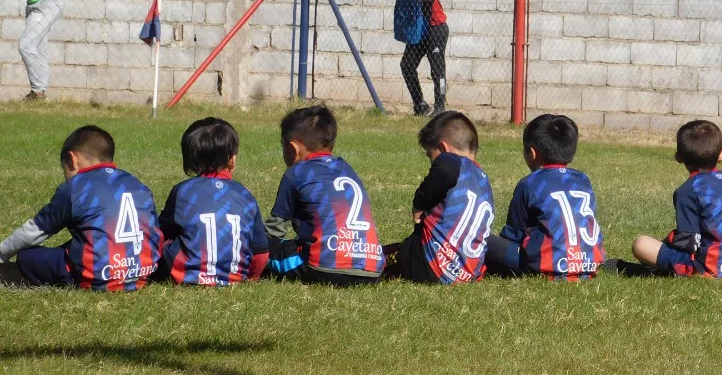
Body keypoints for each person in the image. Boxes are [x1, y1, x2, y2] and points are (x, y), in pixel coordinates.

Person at [0, 125, 160, 290]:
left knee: (27, 256)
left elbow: (35, 231)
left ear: (72, 159)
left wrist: (2, 253)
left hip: (98, 275)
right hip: (144, 271)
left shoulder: (76, 187)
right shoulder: (137, 183)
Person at [265, 105, 385, 285]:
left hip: (322, 268)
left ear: (292, 149)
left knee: (264, 249)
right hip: (372, 269)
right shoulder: (347, 169)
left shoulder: (296, 172)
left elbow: (274, 230)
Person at [628, 120, 722, 280]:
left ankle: (646, 270)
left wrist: (669, 242)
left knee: (641, 244)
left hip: (714, 271)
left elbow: (689, 243)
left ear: (678, 157)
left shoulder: (689, 190)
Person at [486, 114, 605, 280]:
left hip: (548, 267)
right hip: (588, 265)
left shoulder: (529, 183)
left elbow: (514, 236)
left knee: (484, 240)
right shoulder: (583, 180)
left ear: (532, 153)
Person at [155, 118, 270, 285]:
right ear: (232, 160)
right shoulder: (245, 194)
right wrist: (251, 278)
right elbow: (261, 254)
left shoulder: (183, 190)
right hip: (235, 277)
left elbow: (160, 233)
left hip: (186, 278)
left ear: (189, 158)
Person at [384, 111, 495, 284]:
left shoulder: (450, 161)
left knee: (387, 255)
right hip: (468, 273)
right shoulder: (483, 180)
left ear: (443, 149)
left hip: (432, 266)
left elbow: (445, 171)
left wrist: (419, 204)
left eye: (430, 156)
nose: (431, 163)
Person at [385, 0, 449, 117]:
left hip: (435, 28)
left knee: (437, 68)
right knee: (407, 65)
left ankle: (440, 107)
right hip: (419, 32)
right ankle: (420, 104)